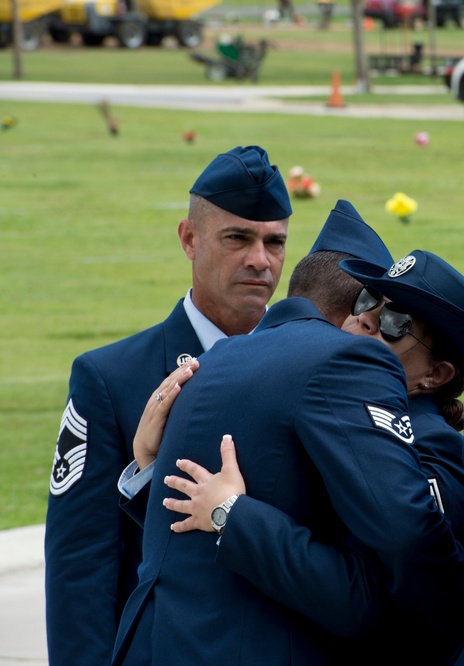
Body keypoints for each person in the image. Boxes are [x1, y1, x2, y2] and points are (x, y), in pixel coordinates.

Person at [111, 230, 464, 663]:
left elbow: (377, 594)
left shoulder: (432, 443)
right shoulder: (328, 392)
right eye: (367, 300)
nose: (366, 319)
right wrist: (152, 470)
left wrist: (232, 514)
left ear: (436, 375)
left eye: (396, 324)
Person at [44, 145, 292, 666]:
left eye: (275, 242)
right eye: (237, 238)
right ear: (189, 238)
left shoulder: (312, 368)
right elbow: (80, 566)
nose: (260, 260)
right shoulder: (112, 379)